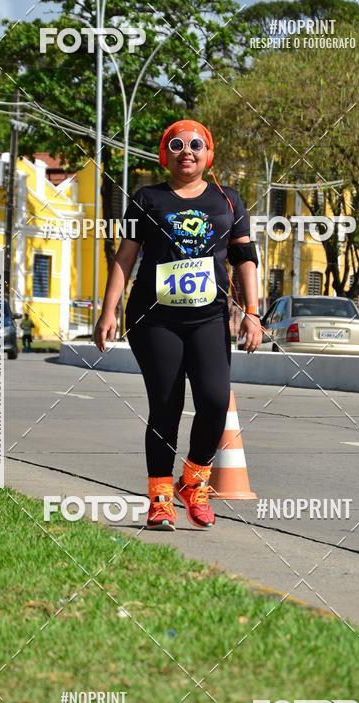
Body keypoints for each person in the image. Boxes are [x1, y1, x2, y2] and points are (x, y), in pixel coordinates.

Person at [94, 120, 262, 530]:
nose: (186, 151)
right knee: (165, 407)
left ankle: (195, 482)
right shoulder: (147, 198)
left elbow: (244, 259)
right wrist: (108, 310)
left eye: (196, 145)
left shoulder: (228, 200)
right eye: (176, 145)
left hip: (209, 317)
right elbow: (125, 258)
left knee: (214, 401)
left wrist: (253, 313)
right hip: (155, 319)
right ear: (163, 154)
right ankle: (160, 499)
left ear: (209, 153)